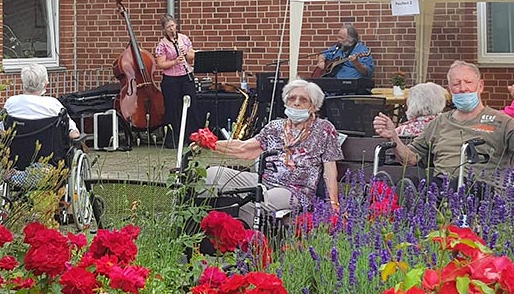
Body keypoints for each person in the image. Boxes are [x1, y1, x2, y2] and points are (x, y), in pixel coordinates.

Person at [199, 78, 344, 227]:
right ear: (286, 102)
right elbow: (245, 149)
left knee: (257, 201)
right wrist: (208, 143)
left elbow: (330, 169)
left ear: (313, 106)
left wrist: (333, 202)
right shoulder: (274, 126)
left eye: (303, 100)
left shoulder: (324, 129)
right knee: (211, 175)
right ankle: (202, 230)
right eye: (292, 98)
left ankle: (248, 243)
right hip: (264, 181)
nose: (296, 103)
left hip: (294, 190)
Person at [373, 60, 514, 189]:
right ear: (450, 89)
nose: (463, 88)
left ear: (480, 86)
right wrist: (393, 137)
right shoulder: (438, 123)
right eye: (456, 84)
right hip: (441, 189)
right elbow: (410, 158)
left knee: (460, 185)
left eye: (468, 82)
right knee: (415, 183)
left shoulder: (501, 122)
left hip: (482, 192)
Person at [155, 14, 200, 148]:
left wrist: (186, 53)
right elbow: (160, 64)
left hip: (186, 76)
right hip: (171, 80)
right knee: (172, 108)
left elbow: (192, 56)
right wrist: (174, 61)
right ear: (164, 29)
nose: (171, 29)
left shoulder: (184, 38)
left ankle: (192, 138)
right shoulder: (162, 44)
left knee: (191, 106)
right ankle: (172, 140)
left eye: (173, 25)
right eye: (168, 27)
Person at [0, 63, 80, 139]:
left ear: (23, 83)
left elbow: (1, 129)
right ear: (45, 84)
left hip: (15, 152)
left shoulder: (11, 102)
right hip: (50, 151)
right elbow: (74, 134)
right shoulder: (53, 104)